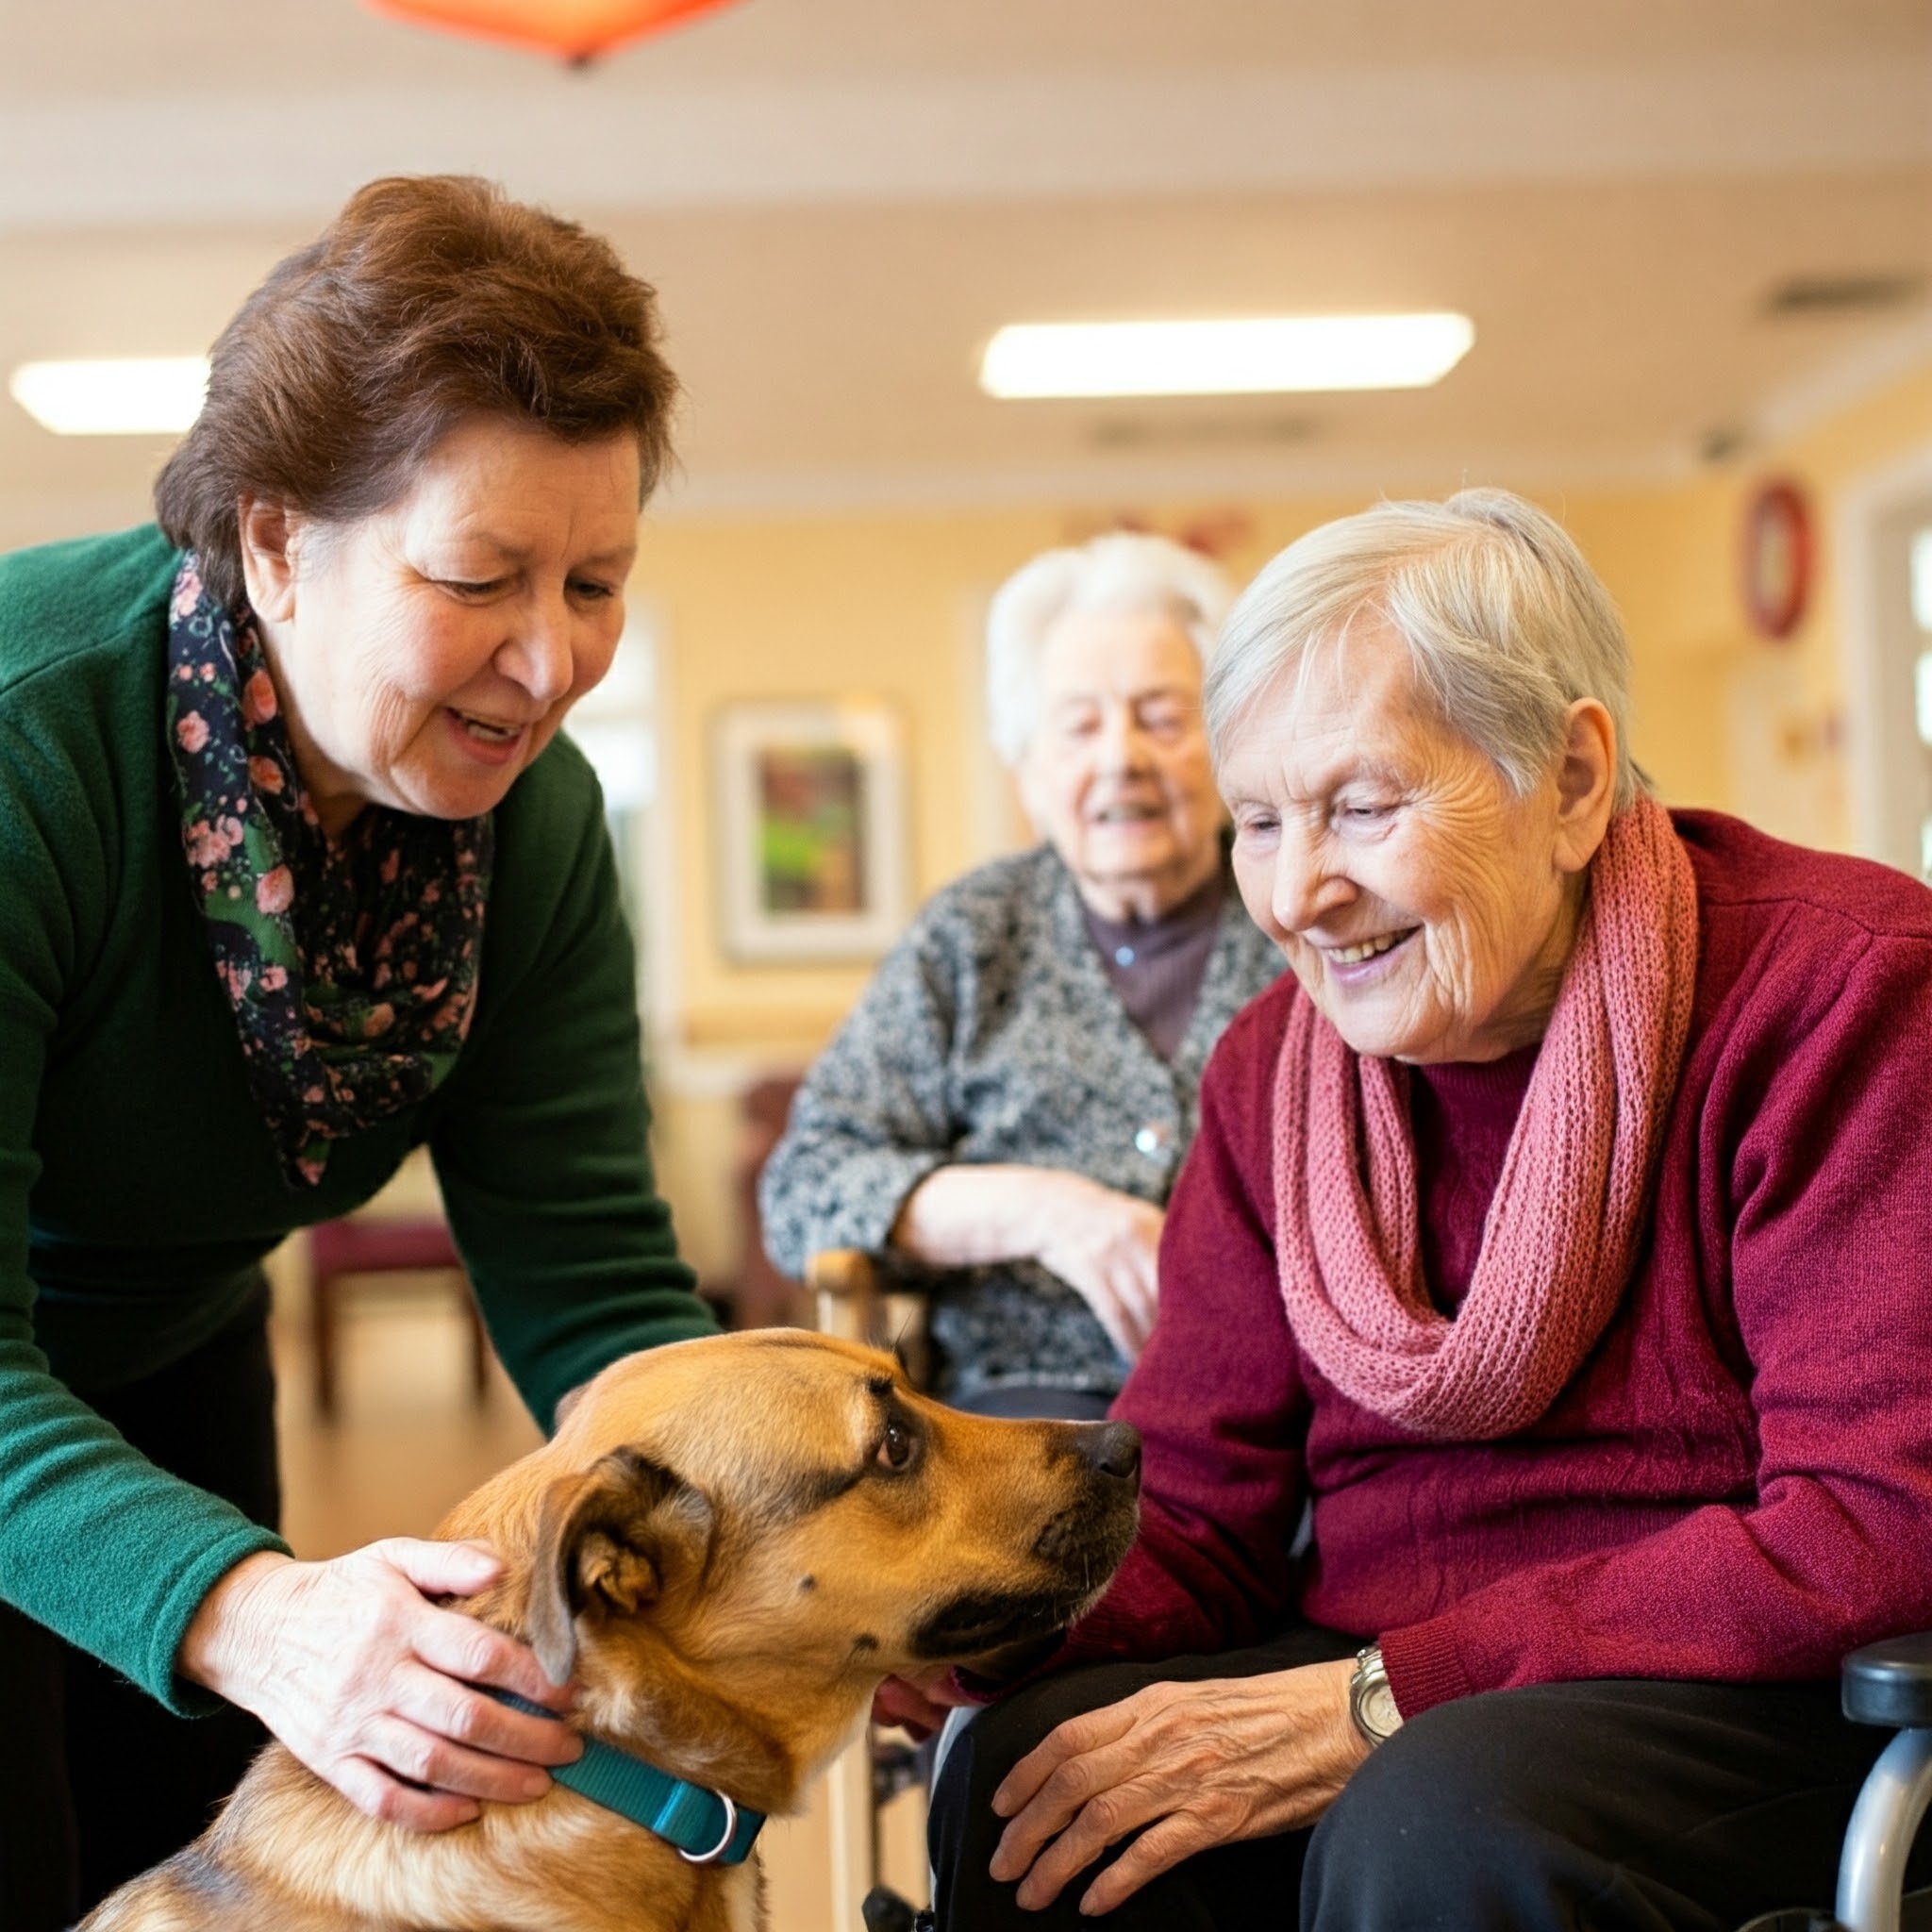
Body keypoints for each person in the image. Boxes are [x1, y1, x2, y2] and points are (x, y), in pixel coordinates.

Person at [921, 488, 1932, 1929]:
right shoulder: (1271, 1069)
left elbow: (1875, 1527)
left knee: (1435, 1818)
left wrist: (1386, 1699)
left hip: (1750, 1686)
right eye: (1259, 822)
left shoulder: (1839, 997)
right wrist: (947, 1630)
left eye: (1360, 807)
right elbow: (1200, 1508)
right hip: (1398, 1664)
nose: (1295, 895)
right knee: (1044, 1776)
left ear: (1575, 780)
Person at [0, 175, 721, 1929]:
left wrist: (771, 1552)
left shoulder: (530, 827)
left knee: (187, 1863)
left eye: (598, 580)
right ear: (272, 544)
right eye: (477, 576)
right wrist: (259, 1608)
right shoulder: (35, 752)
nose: (549, 662)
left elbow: (592, 1280)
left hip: (167, 1350)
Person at [759, 533, 1283, 1420]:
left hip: (1279, 1412)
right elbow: (806, 1188)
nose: (1122, 757)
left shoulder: (1296, 907)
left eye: (1162, 715)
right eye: (1079, 724)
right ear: (1028, 770)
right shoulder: (973, 936)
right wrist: (1050, 1212)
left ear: (1230, 743)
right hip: (1026, 1425)